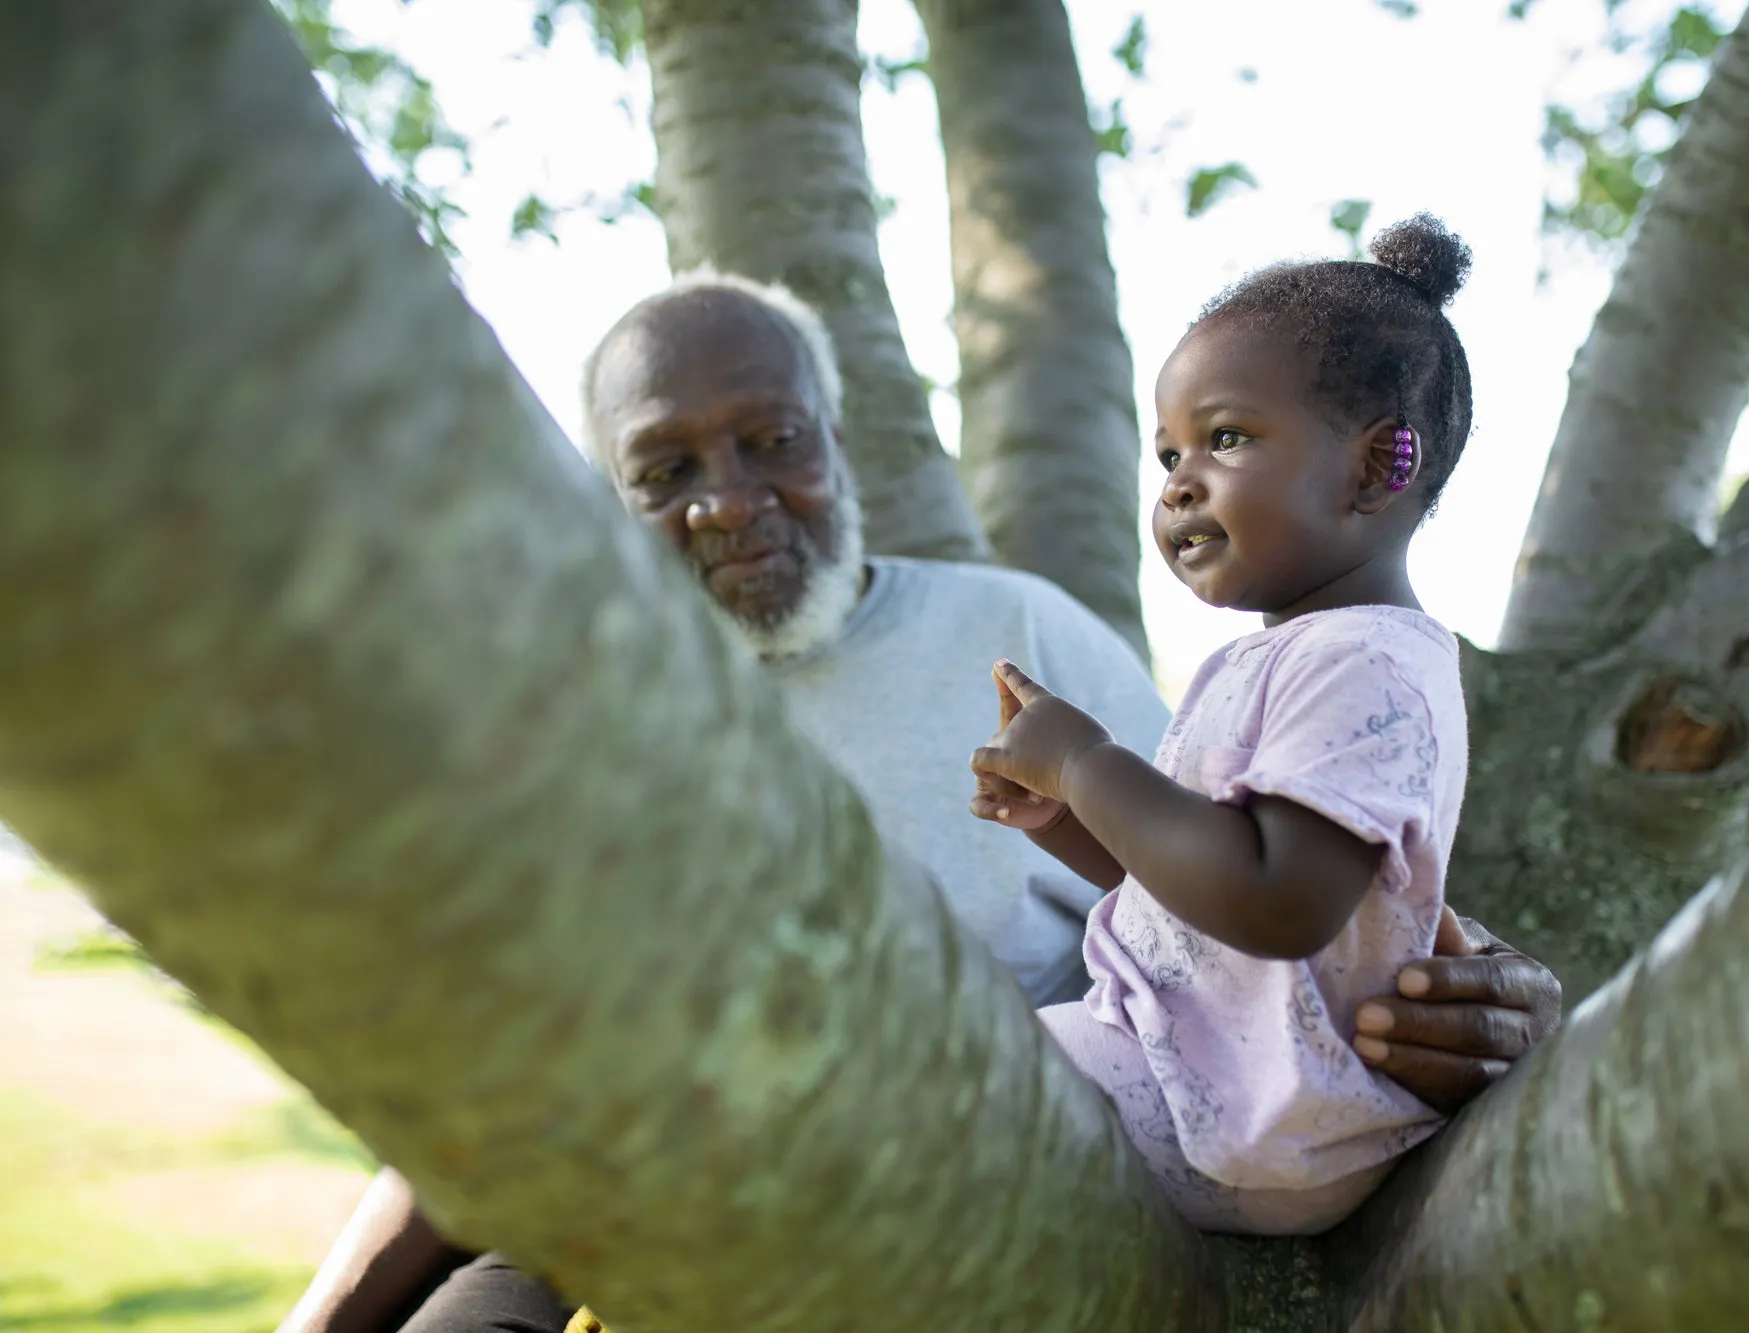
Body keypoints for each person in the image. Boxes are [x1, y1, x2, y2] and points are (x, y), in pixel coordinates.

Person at [279, 271, 1562, 1333]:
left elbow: (1295, 870)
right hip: (612, 1190)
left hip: (949, 1187)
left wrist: (1505, 992)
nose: (727, 498)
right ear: (610, 501)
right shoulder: (563, 718)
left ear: (840, 439)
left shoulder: (1021, 630)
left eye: (770, 440)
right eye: (664, 468)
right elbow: (503, 1076)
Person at [970, 215, 1488, 1235]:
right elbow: (1203, 896)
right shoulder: (1296, 654)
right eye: (1165, 451)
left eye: (1227, 437)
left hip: (1248, 1109)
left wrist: (1086, 763)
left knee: (938, 1068)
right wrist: (1067, 819)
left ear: (1378, 467)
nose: (1176, 482)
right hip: (1210, 1077)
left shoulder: (1365, 661)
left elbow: (1278, 902)